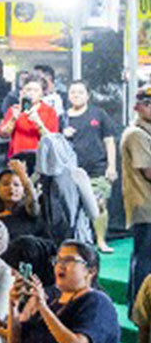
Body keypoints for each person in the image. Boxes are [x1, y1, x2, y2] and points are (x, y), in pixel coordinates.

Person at [62, 79, 118, 252]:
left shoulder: (98, 114)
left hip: (97, 168)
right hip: (71, 171)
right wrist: (62, 133)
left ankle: (100, 241)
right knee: (71, 208)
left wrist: (111, 166)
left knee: (100, 204)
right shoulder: (63, 117)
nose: (76, 95)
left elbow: (109, 141)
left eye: (80, 92)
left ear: (87, 95)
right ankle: (75, 242)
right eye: (73, 92)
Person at [123, 90, 151, 302]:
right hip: (145, 205)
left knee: (142, 257)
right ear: (138, 107)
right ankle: (140, 307)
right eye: (148, 103)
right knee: (145, 260)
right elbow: (148, 171)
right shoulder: (137, 134)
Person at [0, 77, 60, 164]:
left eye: (36, 90)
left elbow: (52, 140)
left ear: (42, 93)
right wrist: (13, 119)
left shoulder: (50, 112)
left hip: (41, 159)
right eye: (28, 89)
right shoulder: (14, 109)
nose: (31, 93)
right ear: (22, 92)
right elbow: (3, 135)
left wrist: (38, 122)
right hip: (17, 158)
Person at [0, 164, 48, 246]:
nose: (11, 188)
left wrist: (24, 178)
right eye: (5, 184)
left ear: (23, 190)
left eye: (16, 185)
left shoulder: (29, 210)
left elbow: (32, 202)